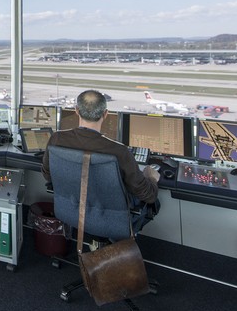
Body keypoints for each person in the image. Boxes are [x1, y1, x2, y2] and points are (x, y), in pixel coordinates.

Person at [43, 89, 160, 233]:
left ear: (76, 111)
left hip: (70, 212)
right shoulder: (119, 151)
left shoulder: (56, 139)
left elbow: (48, 176)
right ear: (105, 114)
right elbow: (148, 195)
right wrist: (152, 178)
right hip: (112, 220)